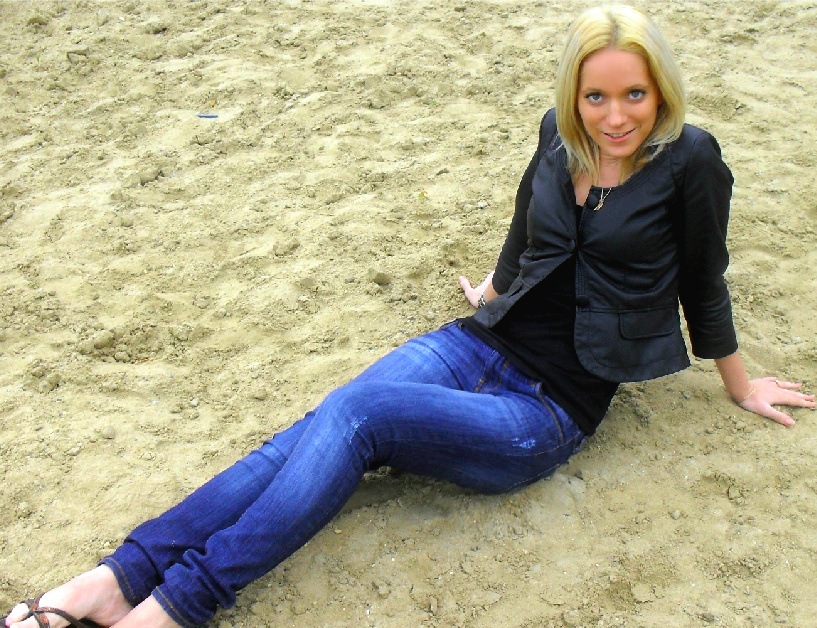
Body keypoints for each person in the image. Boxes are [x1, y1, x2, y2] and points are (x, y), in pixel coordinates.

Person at [4, 5, 814, 628]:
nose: (614, 116)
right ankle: (114, 579)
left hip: (545, 410)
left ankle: (175, 607)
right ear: (572, 94)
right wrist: (494, 291)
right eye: (594, 95)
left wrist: (738, 384)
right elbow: (526, 226)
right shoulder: (557, 136)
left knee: (358, 414)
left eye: (633, 94)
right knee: (312, 427)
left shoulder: (689, 159)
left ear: (659, 89)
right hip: (477, 346)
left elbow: (704, 277)